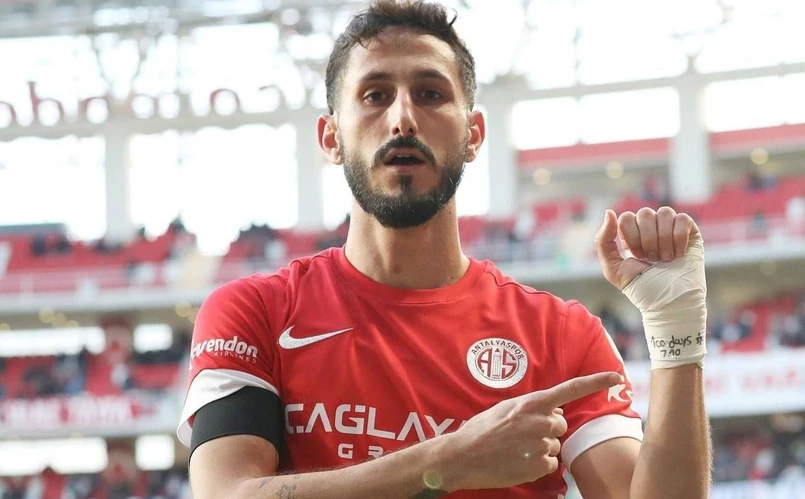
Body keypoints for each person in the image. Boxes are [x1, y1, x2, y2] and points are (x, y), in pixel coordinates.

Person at [178, 1, 711, 498]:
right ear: (331, 138)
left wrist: (676, 330)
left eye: (430, 94)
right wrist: (449, 461)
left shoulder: (560, 335)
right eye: (375, 95)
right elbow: (226, 494)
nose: (403, 118)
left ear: (473, 134)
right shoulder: (257, 312)